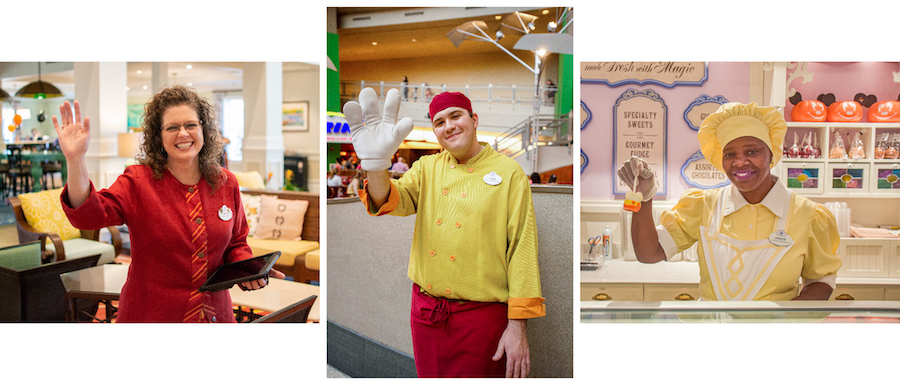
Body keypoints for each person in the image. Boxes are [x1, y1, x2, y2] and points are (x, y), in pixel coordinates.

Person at [343, 88, 544, 378]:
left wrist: (517, 326)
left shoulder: (509, 173)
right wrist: (375, 166)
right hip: (426, 313)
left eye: (455, 116)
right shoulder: (427, 167)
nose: (448, 126)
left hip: (482, 320)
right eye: (439, 122)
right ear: (435, 132)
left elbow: (522, 250)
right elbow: (386, 198)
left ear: (474, 119)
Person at [54, 85, 284, 322]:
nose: (183, 133)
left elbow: (236, 243)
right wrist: (75, 159)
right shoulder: (138, 181)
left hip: (215, 315)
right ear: (159, 136)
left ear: (203, 129)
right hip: (152, 316)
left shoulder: (226, 182)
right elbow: (87, 216)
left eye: (191, 125)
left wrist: (248, 270)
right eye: (172, 127)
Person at [618, 102, 841, 301]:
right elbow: (649, 254)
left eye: (752, 151)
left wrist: (781, 321)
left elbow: (821, 281)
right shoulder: (704, 205)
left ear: (771, 154)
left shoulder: (809, 215)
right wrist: (645, 198)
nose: (740, 162)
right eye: (729, 154)